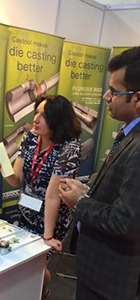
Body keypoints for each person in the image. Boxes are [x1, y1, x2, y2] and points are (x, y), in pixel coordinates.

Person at [59, 47, 140, 300]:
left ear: (137, 98)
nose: (106, 96)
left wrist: (80, 203)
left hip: (110, 281)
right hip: (97, 272)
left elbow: (127, 221)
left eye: (114, 92)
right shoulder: (129, 136)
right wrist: (87, 193)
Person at [0, 94, 82, 298]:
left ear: (57, 120)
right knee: (24, 266)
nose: (36, 119)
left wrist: (48, 237)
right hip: (26, 211)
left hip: (51, 218)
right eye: (37, 112)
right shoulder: (32, 136)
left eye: (44, 115)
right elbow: (16, 178)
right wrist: (3, 168)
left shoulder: (69, 148)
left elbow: (52, 196)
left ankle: (43, 293)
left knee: (37, 268)